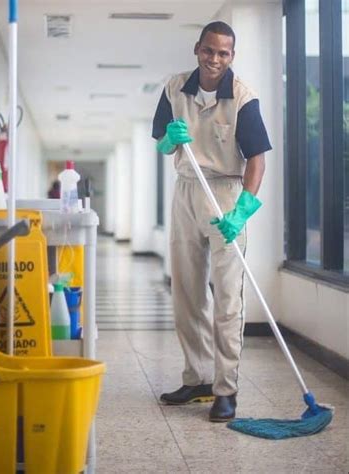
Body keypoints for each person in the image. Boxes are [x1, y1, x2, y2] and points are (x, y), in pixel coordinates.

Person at [152, 21, 271, 421]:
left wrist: (243, 211)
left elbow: (257, 159)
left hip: (226, 195)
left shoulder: (242, 97)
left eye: (223, 53)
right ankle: (198, 376)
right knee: (186, 291)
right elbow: (162, 143)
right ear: (197, 48)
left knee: (226, 297)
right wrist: (170, 138)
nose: (215, 59)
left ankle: (226, 389)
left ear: (231, 56)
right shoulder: (174, 88)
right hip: (186, 191)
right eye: (209, 50)